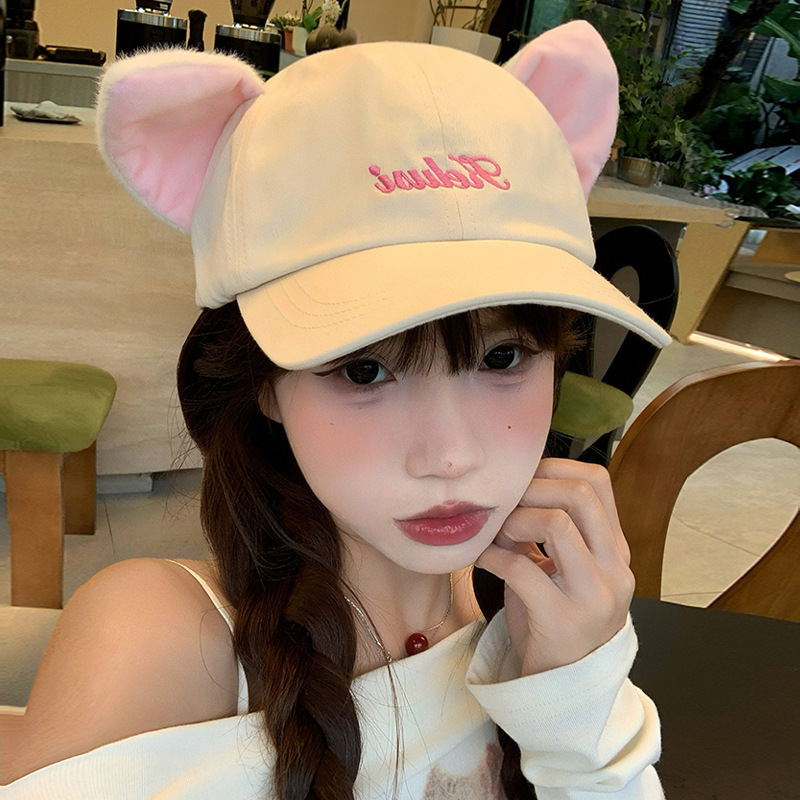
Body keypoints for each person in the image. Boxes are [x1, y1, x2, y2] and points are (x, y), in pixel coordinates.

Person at [1, 20, 671, 799]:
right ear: (263, 383)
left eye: (502, 358)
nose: (451, 455)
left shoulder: (549, 607)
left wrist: (579, 700)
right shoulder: (162, 641)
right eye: (364, 369)